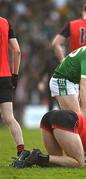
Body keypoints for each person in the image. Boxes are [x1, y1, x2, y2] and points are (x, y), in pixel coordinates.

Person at [12, 110, 86, 168]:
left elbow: (70, 159)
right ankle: (38, 157)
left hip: (49, 117)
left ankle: (26, 156)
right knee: (79, 164)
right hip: (67, 120)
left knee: (57, 162)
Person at [52, 2, 86, 109]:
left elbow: (56, 43)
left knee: (73, 111)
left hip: (74, 69)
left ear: (83, 13)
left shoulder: (73, 24)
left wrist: (63, 60)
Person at [0, 17, 25, 155]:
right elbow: (17, 51)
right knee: (9, 117)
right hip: (4, 76)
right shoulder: (5, 22)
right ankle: (21, 152)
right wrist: (14, 75)